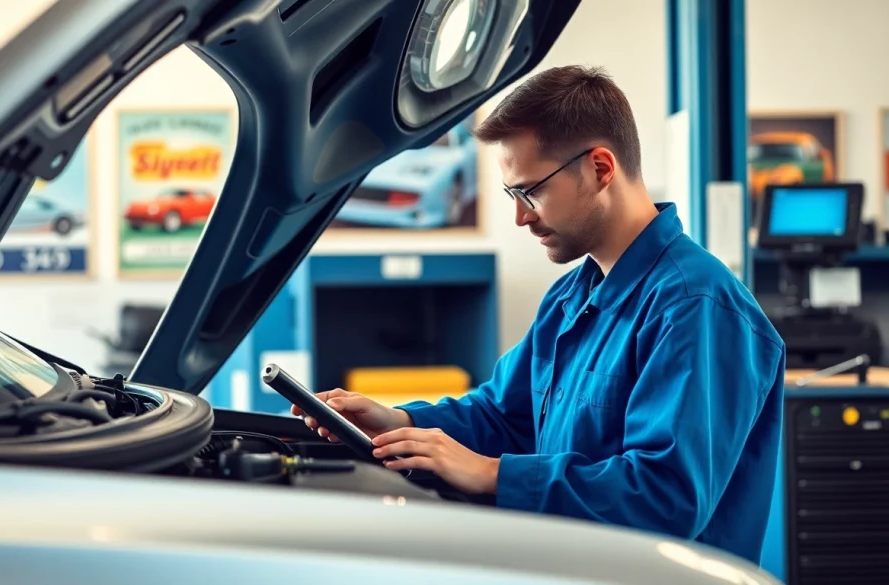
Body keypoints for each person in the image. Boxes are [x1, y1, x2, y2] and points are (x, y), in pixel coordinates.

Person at [293, 65, 785, 565]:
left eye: (530, 191)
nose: (521, 216)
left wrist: (490, 473)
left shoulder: (695, 307)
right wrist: (397, 420)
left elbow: (663, 496)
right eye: (513, 195)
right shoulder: (570, 298)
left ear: (600, 168)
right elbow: (503, 416)